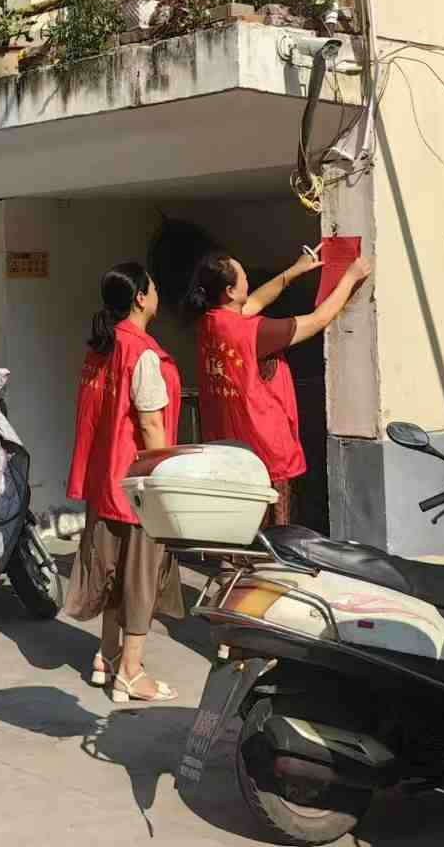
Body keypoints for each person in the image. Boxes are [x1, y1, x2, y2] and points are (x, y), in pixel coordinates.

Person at [65, 261, 186, 704]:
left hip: (104, 480)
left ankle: (107, 655)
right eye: (153, 288)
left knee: (112, 571)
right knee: (141, 576)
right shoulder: (142, 353)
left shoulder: (101, 347)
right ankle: (131, 673)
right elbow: (151, 424)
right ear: (140, 298)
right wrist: (166, 480)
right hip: (136, 485)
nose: (157, 295)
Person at [189, 247, 373, 525]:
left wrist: (295, 271)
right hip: (265, 449)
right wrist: (350, 277)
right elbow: (318, 320)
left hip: (231, 449)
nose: (248, 279)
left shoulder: (210, 322)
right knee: (275, 530)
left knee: (240, 526)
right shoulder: (254, 332)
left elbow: (254, 301)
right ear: (229, 291)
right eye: (243, 276)